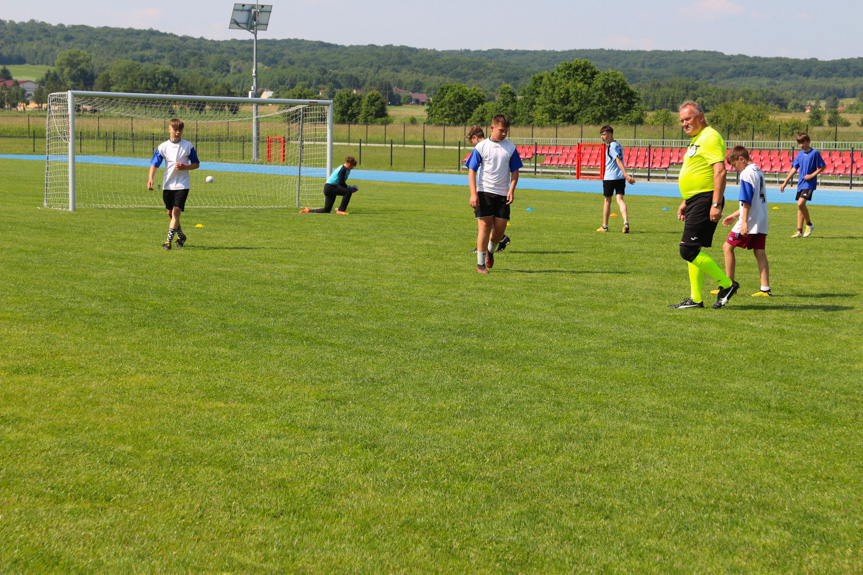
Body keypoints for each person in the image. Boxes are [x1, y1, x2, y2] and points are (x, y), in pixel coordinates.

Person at [668, 101, 739, 309]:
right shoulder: (697, 139)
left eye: (688, 118)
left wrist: (715, 203)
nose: (684, 123)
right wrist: (685, 201)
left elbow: (720, 171)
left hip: (705, 200)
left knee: (687, 251)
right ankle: (696, 299)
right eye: (682, 120)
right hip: (695, 200)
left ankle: (727, 284)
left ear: (700, 116)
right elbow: (698, 172)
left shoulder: (710, 137)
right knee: (694, 249)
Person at [465, 115, 523, 274]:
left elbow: (515, 172)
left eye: (506, 131)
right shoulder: (481, 147)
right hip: (484, 192)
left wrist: (511, 190)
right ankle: (480, 265)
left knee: (499, 229)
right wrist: (473, 193)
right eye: (501, 130)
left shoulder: (510, 148)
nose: (504, 134)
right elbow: (472, 171)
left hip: (503, 194)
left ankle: (490, 251)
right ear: (492, 128)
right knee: (484, 226)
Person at [719, 145, 771, 297]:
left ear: (741, 159)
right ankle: (765, 289)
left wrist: (744, 222)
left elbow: (746, 200)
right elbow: (754, 199)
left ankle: (729, 286)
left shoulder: (746, 174)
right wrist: (735, 215)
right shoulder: (758, 171)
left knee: (727, 247)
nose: (735, 169)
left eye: (735, 165)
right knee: (759, 252)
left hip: (750, 219)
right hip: (761, 219)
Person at [148, 118, 200, 250]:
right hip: (168, 184)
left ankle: (167, 242)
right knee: (170, 214)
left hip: (183, 185)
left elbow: (196, 164)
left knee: (176, 212)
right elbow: (155, 164)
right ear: (169, 129)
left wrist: (185, 167)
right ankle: (181, 235)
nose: (177, 132)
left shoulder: (188, 146)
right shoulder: (163, 147)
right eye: (175, 129)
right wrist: (151, 179)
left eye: (180, 130)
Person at [466, 125, 510, 254]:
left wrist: (474, 192)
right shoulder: (486, 147)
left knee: (484, 220)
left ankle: (488, 246)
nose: (472, 144)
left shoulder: (482, 148)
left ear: (475, 137)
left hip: (487, 190)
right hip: (487, 189)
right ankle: (498, 239)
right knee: (485, 220)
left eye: (472, 141)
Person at [779, 132, 825, 238]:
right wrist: (785, 182)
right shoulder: (799, 154)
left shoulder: (815, 153)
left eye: (803, 143)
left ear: (808, 142)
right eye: (799, 143)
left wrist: (812, 175)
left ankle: (809, 224)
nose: (801, 145)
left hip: (809, 184)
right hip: (801, 183)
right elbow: (794, 168)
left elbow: (822, 167)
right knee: (800, 207)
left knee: (800, 204)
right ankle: (799, 231)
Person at [598, 125, 635, 233]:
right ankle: (626, 222)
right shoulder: (618, 145)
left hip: (610, 177)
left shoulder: (611, 147)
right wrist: (624, 176)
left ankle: (604, 226)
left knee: (607, 200)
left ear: (610, 134)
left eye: (604, 134)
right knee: (620, 200)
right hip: (620, 178)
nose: (602, 137)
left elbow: (618, 161)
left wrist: (627, 175)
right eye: (601, 135)